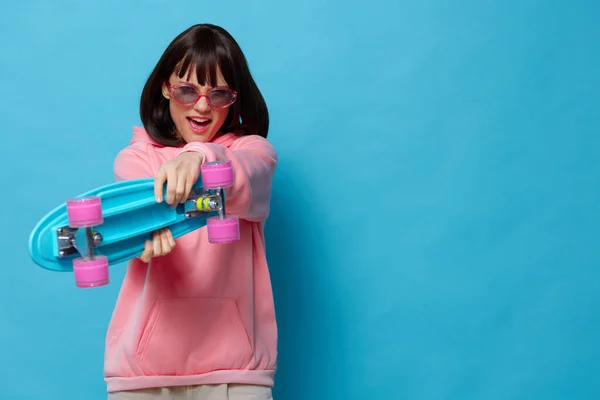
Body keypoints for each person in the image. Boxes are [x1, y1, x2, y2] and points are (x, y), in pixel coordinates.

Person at [104, 23, 278, 400]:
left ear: (235, 98)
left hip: (238, 373)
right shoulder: (136, 159)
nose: (201, 107)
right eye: (187, 90)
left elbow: (246, 174)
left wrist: (197, 156)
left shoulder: (254, 153)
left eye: (218, 94)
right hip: (144, 373)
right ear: (166, 87)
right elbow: (137, 218)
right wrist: (145, 235)